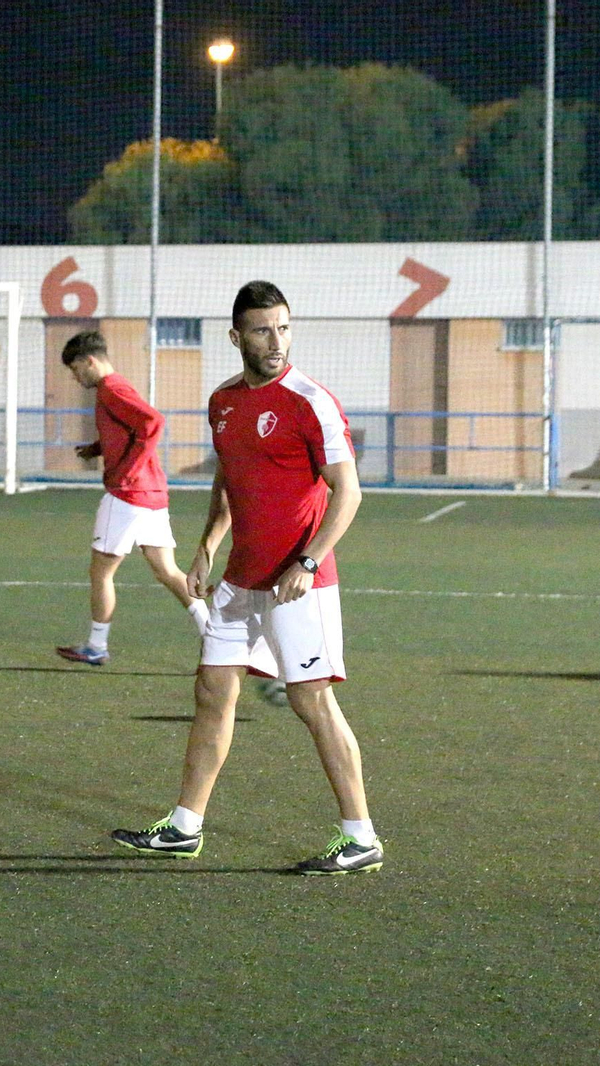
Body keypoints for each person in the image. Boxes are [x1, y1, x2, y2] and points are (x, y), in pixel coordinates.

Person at [111, 281, 383, 875]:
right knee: (212, 692)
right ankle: (185, 827)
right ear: (237, 337)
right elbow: (230, 481)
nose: (276, 340)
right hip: (239, 581)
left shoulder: (311, 400)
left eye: (284, 327)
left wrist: (308, 562)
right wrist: (207, 545)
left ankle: (360, 835)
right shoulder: (223, 402)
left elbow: (348, 491)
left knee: (312, 701)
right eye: (263, 330)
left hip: (298, 583)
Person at [52, 329, 209, 666]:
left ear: (90, 361)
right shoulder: (116, 388)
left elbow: (152, 422)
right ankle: (213, 635)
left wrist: (127, 471)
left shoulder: (111, 388)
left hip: (128, 494)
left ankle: (96, 645)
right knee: (167, 570)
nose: (76, 377)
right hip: (152, 494)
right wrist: (97, 448)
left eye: (76, 369)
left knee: (101, 573)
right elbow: (131, 428)